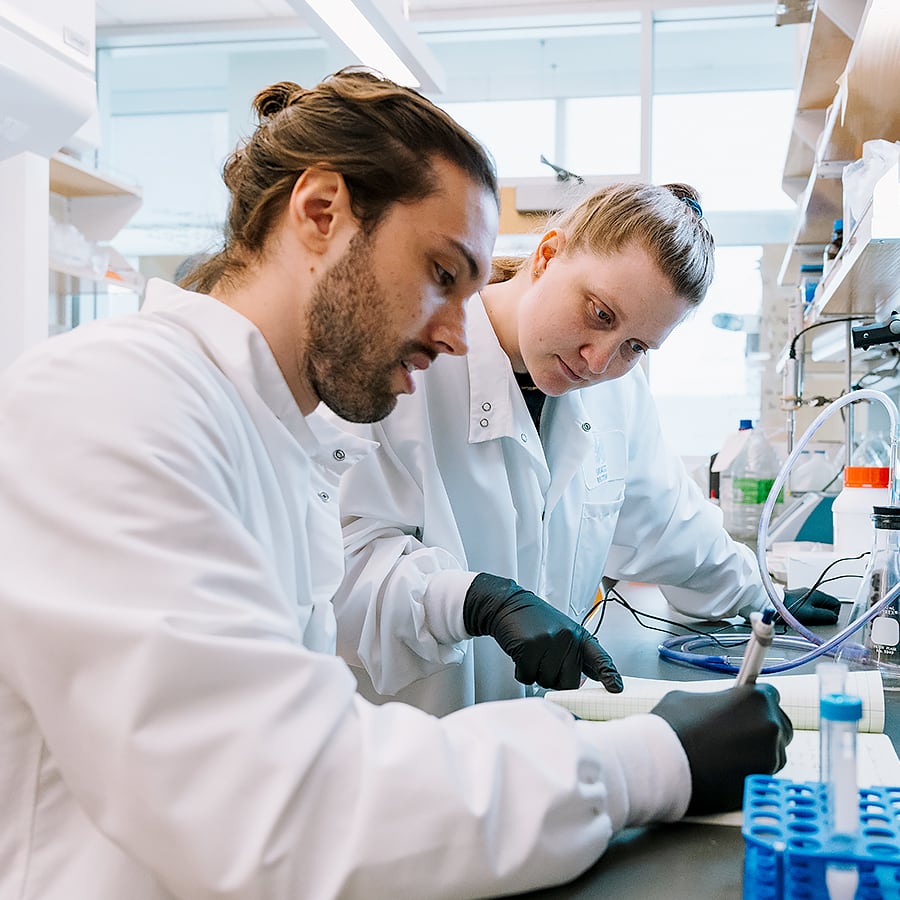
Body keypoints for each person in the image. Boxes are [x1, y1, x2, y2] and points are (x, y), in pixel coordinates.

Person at [0, 68, 792, 900]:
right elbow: (284, 804)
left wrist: (760, 595)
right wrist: (653, 761)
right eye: (442, 275)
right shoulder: (113, 401)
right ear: (320, 215)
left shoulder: (276, 438)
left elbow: (307, 738)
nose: (458, 334)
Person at [324, 180, 840, 716]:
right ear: (547, 255)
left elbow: (671, 529)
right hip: (403, 741)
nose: (599, 362)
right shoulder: (404, 361)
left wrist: (768, 595)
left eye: (636, 346)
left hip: (529, 743)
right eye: (599, 313)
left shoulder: (618, 390)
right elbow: (336, 577)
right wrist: (473, 600)